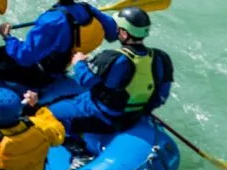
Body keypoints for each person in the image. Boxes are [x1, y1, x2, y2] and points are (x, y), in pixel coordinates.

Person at [37, 7, 174, 135]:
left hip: (103, 115)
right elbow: (161, 96)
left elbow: (84, 80)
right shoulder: (162, 58)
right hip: (134, 116)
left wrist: (79, 62)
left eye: (118, 28)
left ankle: (76, 146)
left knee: (48, 113)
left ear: (124, 34)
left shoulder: (112, 57)